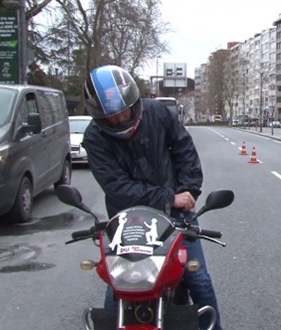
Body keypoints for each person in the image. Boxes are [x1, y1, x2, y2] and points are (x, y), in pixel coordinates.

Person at [81, 65, 222, 329]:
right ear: (99, 115)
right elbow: (117, 186)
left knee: (198, 279)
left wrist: (189, 190)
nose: (121, 118)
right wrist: (169, 198)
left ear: (134, 101)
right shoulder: (95, 137)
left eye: (124, 110)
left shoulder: (157, 113)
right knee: (119, 284)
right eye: (111, 116)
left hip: (176, 215)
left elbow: (184, 150)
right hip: (127, 218)